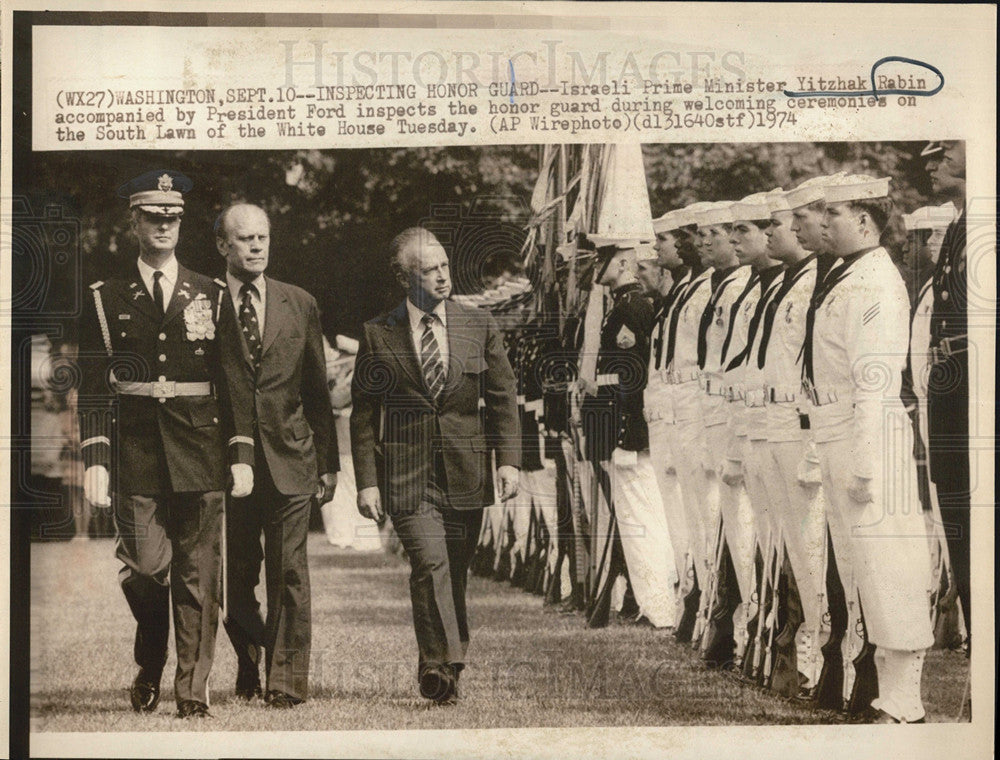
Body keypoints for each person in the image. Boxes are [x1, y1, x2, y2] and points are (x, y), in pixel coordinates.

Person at [77, 170, 251, 718]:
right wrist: (96, 458)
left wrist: (241, 453)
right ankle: (151, 654)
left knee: (200, 577)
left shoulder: (212, 293)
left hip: (200, 449)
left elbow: (234, 383)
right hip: (135, 451)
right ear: (135, 222)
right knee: (148, 570)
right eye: (153, 218)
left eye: (172, 218)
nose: (164, 227)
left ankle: (192, 692)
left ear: (182, 223)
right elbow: (91, 386)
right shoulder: (105, 299)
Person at [350, 227, 520, 705]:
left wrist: (508, 462)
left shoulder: (478, 324)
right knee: (430, 563)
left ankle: (446, 667)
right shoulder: (377, 333)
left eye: (444, 265)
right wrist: (366, 483)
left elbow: (503, 397)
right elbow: (364, 416)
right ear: (405, 278)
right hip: (406, 475)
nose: (443, 276)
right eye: (429, 269)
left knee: (455, 572)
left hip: (467, 471)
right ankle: (437, 663)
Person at [806, 174, 934, 723]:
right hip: (838, 429)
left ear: (864, 220)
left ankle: (904, 700)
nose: (822, 222)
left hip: (869, 436)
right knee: (862, 570)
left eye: (831, 213)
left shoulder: (875, 281)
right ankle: (884, 691)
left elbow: (875, 380)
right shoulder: (847, 275)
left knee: (889, 567)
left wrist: (864, 462)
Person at [217, 202, 338, 709]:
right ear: (223, 246)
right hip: (225, 463)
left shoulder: (300, 303)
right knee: (236, 578)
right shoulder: (205, 301)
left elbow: (315, 388)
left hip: (291, 456)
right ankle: (250, 659)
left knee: (290, 570)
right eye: (245, 239)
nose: (257, 246)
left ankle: (285, 681)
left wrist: (329, 462)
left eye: (263, 237)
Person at [582, 241, 676, 628]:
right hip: (613, 427)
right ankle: (653, 606)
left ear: (623, 262)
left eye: (601, 260)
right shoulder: (619, 307)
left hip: (627, 433)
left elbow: (635, 379)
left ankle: (661, 609)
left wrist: (626, 437)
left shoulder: (633, 307)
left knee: (643, 520)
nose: (595, 268)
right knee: (634, 518)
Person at [922, 141, 970, 650]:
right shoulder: (959, 223)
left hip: (973, 388)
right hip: (950, 385)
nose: (931, 165)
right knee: (957, 520)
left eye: (944, 151)